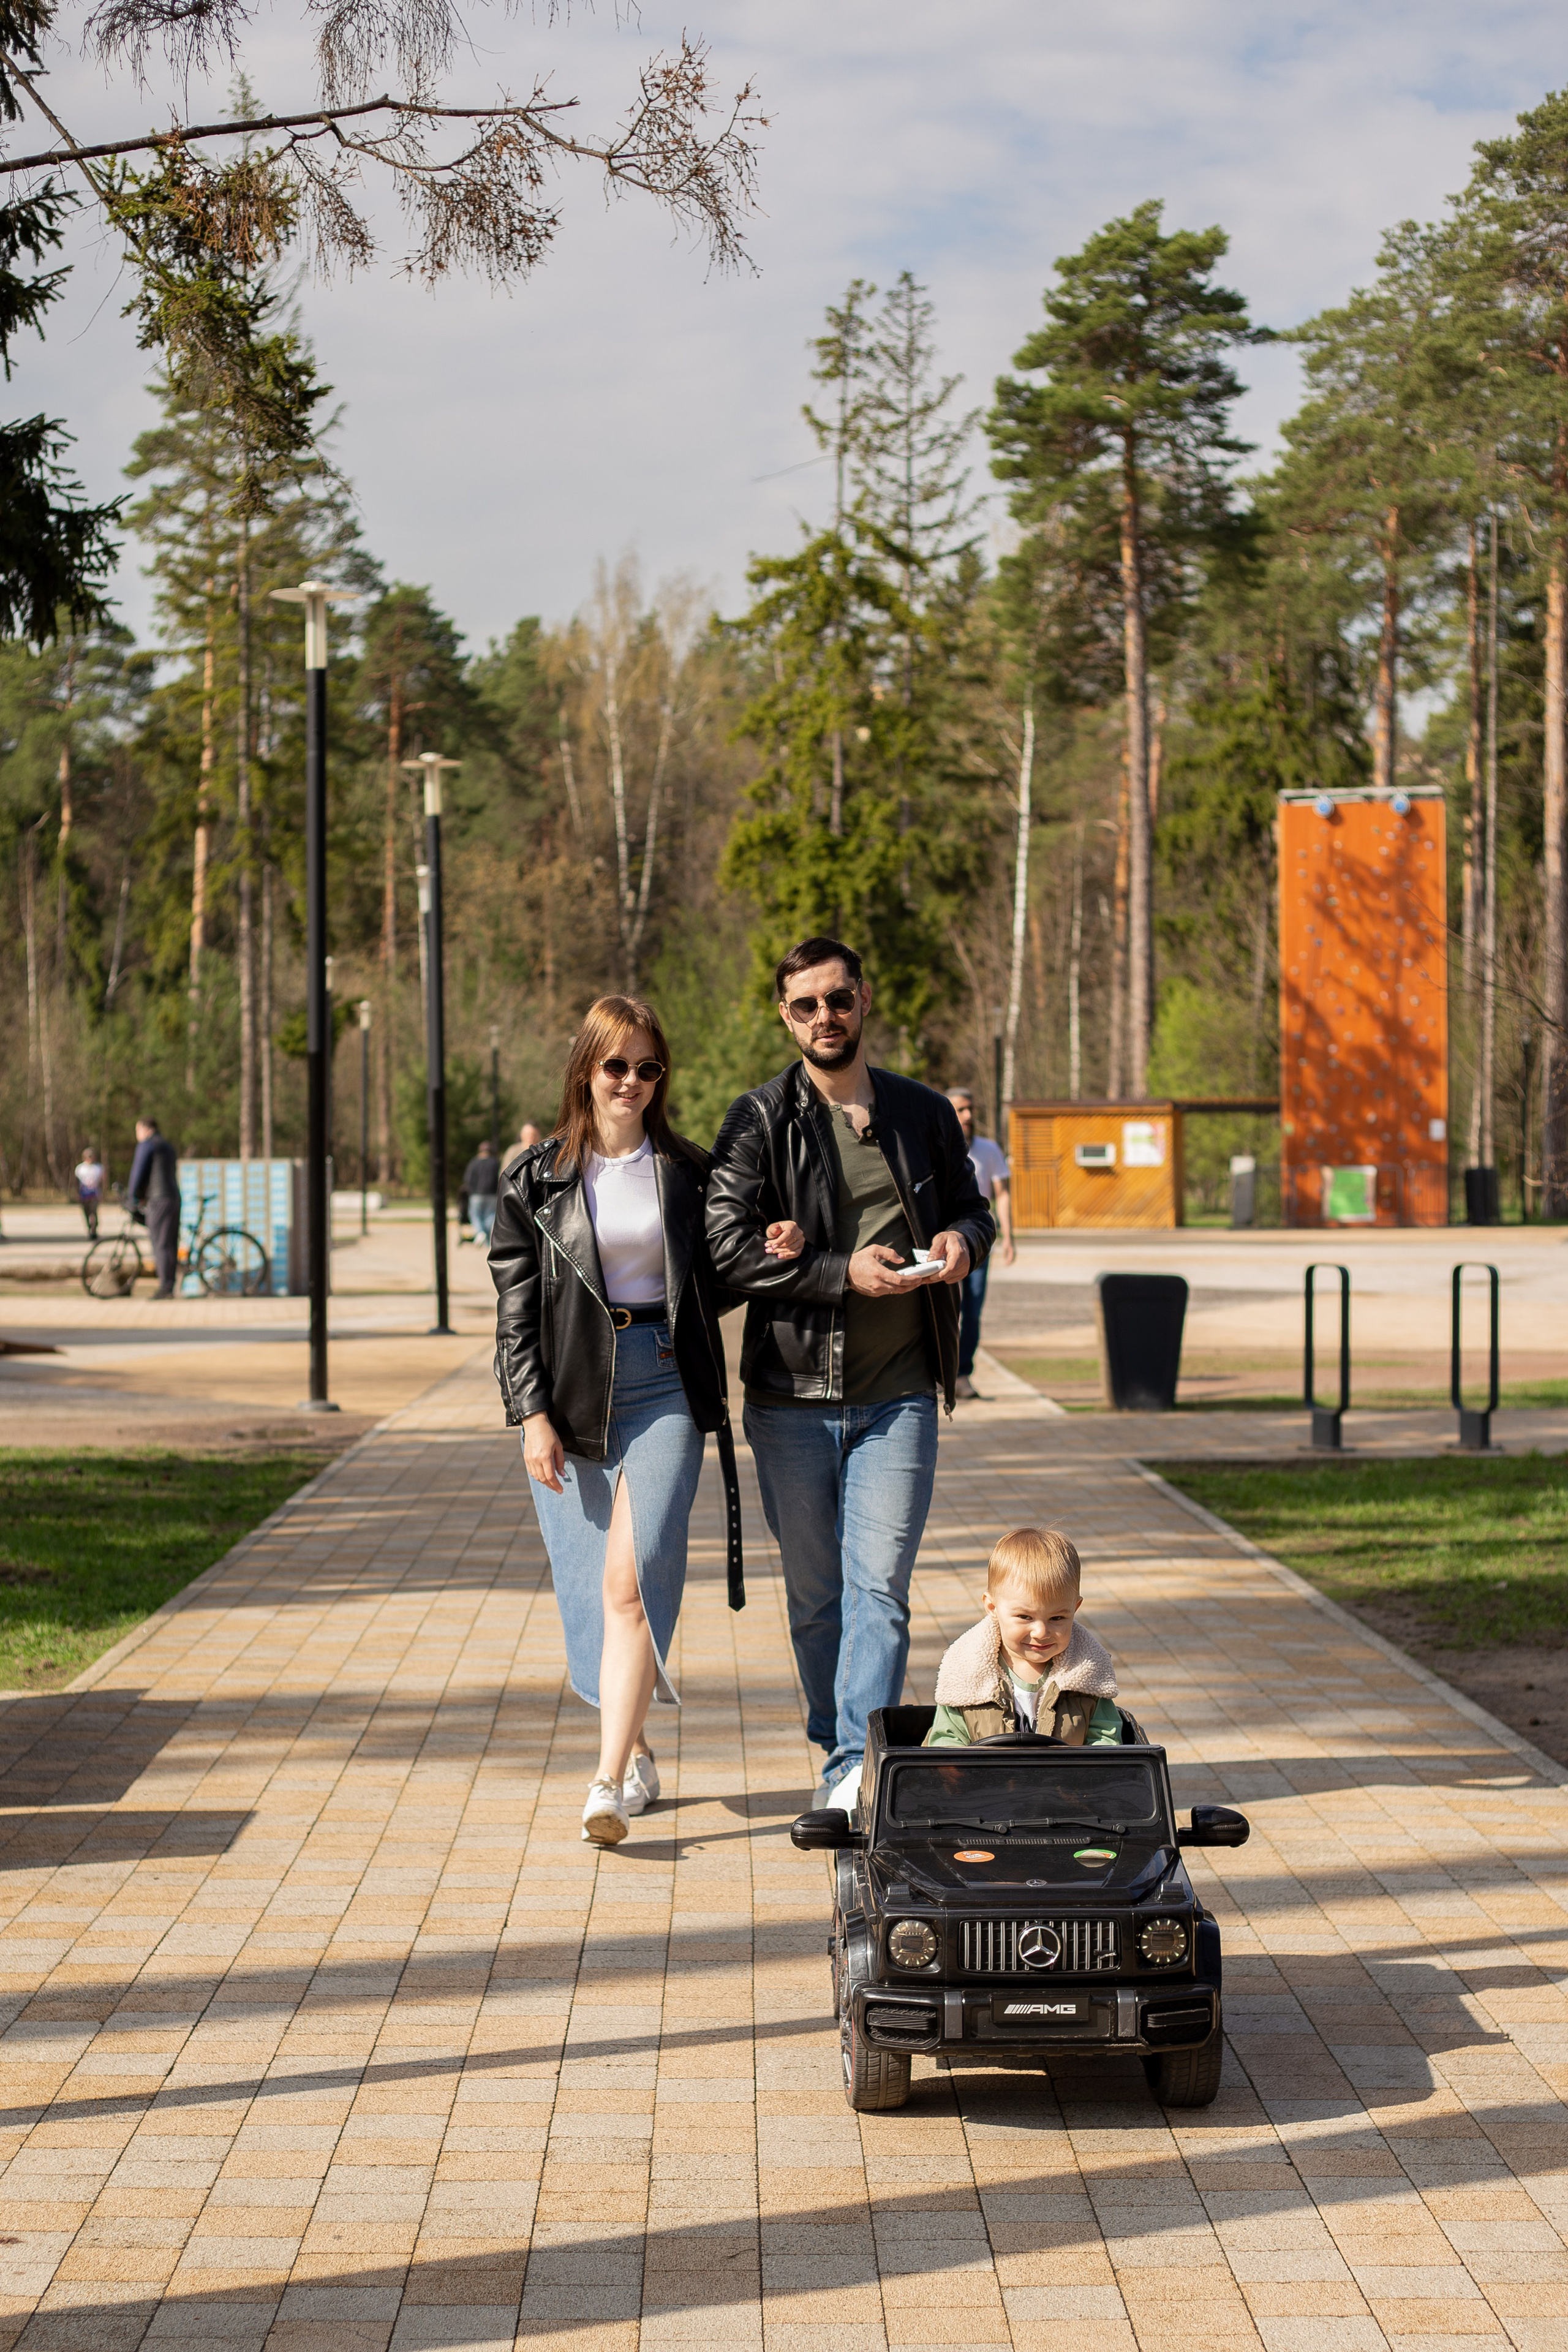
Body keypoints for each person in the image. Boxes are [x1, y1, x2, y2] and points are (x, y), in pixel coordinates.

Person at [490, 995, 804, 1847]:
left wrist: (768, 1253)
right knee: (591, 1591)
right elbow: (516, 1310)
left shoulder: (689, 1171)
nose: (632, 1081)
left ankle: (603, 1783)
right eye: (616, 1065)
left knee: (630, 1584)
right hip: (574, 1398)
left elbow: (715, 1280)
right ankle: (633, 1748)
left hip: (665, 1388)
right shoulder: (535, 1178)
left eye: (648, 1067)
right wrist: (532, 1414)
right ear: (586, 1069)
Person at [706, 936, 994, 1806]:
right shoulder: (759, 1120)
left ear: (863, 1000)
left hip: (901, 1395)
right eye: (806, 1005)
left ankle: (852, 1770)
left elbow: (973, 1210)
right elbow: (721, 1251)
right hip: (792, 1398)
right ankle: (837, 1737)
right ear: (784, 1015)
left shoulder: (924, 1113)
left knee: (882, 1590)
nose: (825, 1017)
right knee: (817, 1597)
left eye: (838, 999)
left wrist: (959, 1245)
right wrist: (838, 1272)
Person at [924, 1526, 1121, 1747]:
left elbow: (1106, 1738)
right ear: (992, 1607)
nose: (1041, 1632)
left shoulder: (1089, 1672)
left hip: (1065, 1781)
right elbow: (946, 1739)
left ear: (1075, 1609)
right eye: (1025, 1617)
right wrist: (959, 1772)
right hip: (985, 1780)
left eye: (1057, 1619)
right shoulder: (966, 1670)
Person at [944, 1088, 1015, 1400]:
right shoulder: (938, 1146)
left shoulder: (989, 1150)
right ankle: (937, 1374)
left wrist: (1009, 1237)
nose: (968, 1116)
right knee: (945, 1311)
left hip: (977, 1247)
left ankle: (963, 1376)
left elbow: (1002, 1194)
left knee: (972, 1312)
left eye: (970, 1109)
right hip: (941, 1247)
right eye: (961, 1110)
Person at [462, 1139, 500, 1245]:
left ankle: (480, 1232)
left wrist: (471, 1190)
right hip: (492, 1193)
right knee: (490, 1215)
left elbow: (468, 1178)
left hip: (477, 1194)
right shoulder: (495, 1163)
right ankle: (485, 1238)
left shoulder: (474, 1163)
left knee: (475, 1214)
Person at [74, 1145, 105, 1240]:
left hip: (95, 1194)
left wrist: (103, 1193)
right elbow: (76, 1182)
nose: (90, 1158)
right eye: (88, 1156)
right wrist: (77, 1193)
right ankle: (89, 1227)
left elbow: (103, 1182)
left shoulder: (98, 1168)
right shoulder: (80, 1168)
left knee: (94, 1212)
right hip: (84, 1194)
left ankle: (94, 1230)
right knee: (86, 1212)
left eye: (91, 1156)